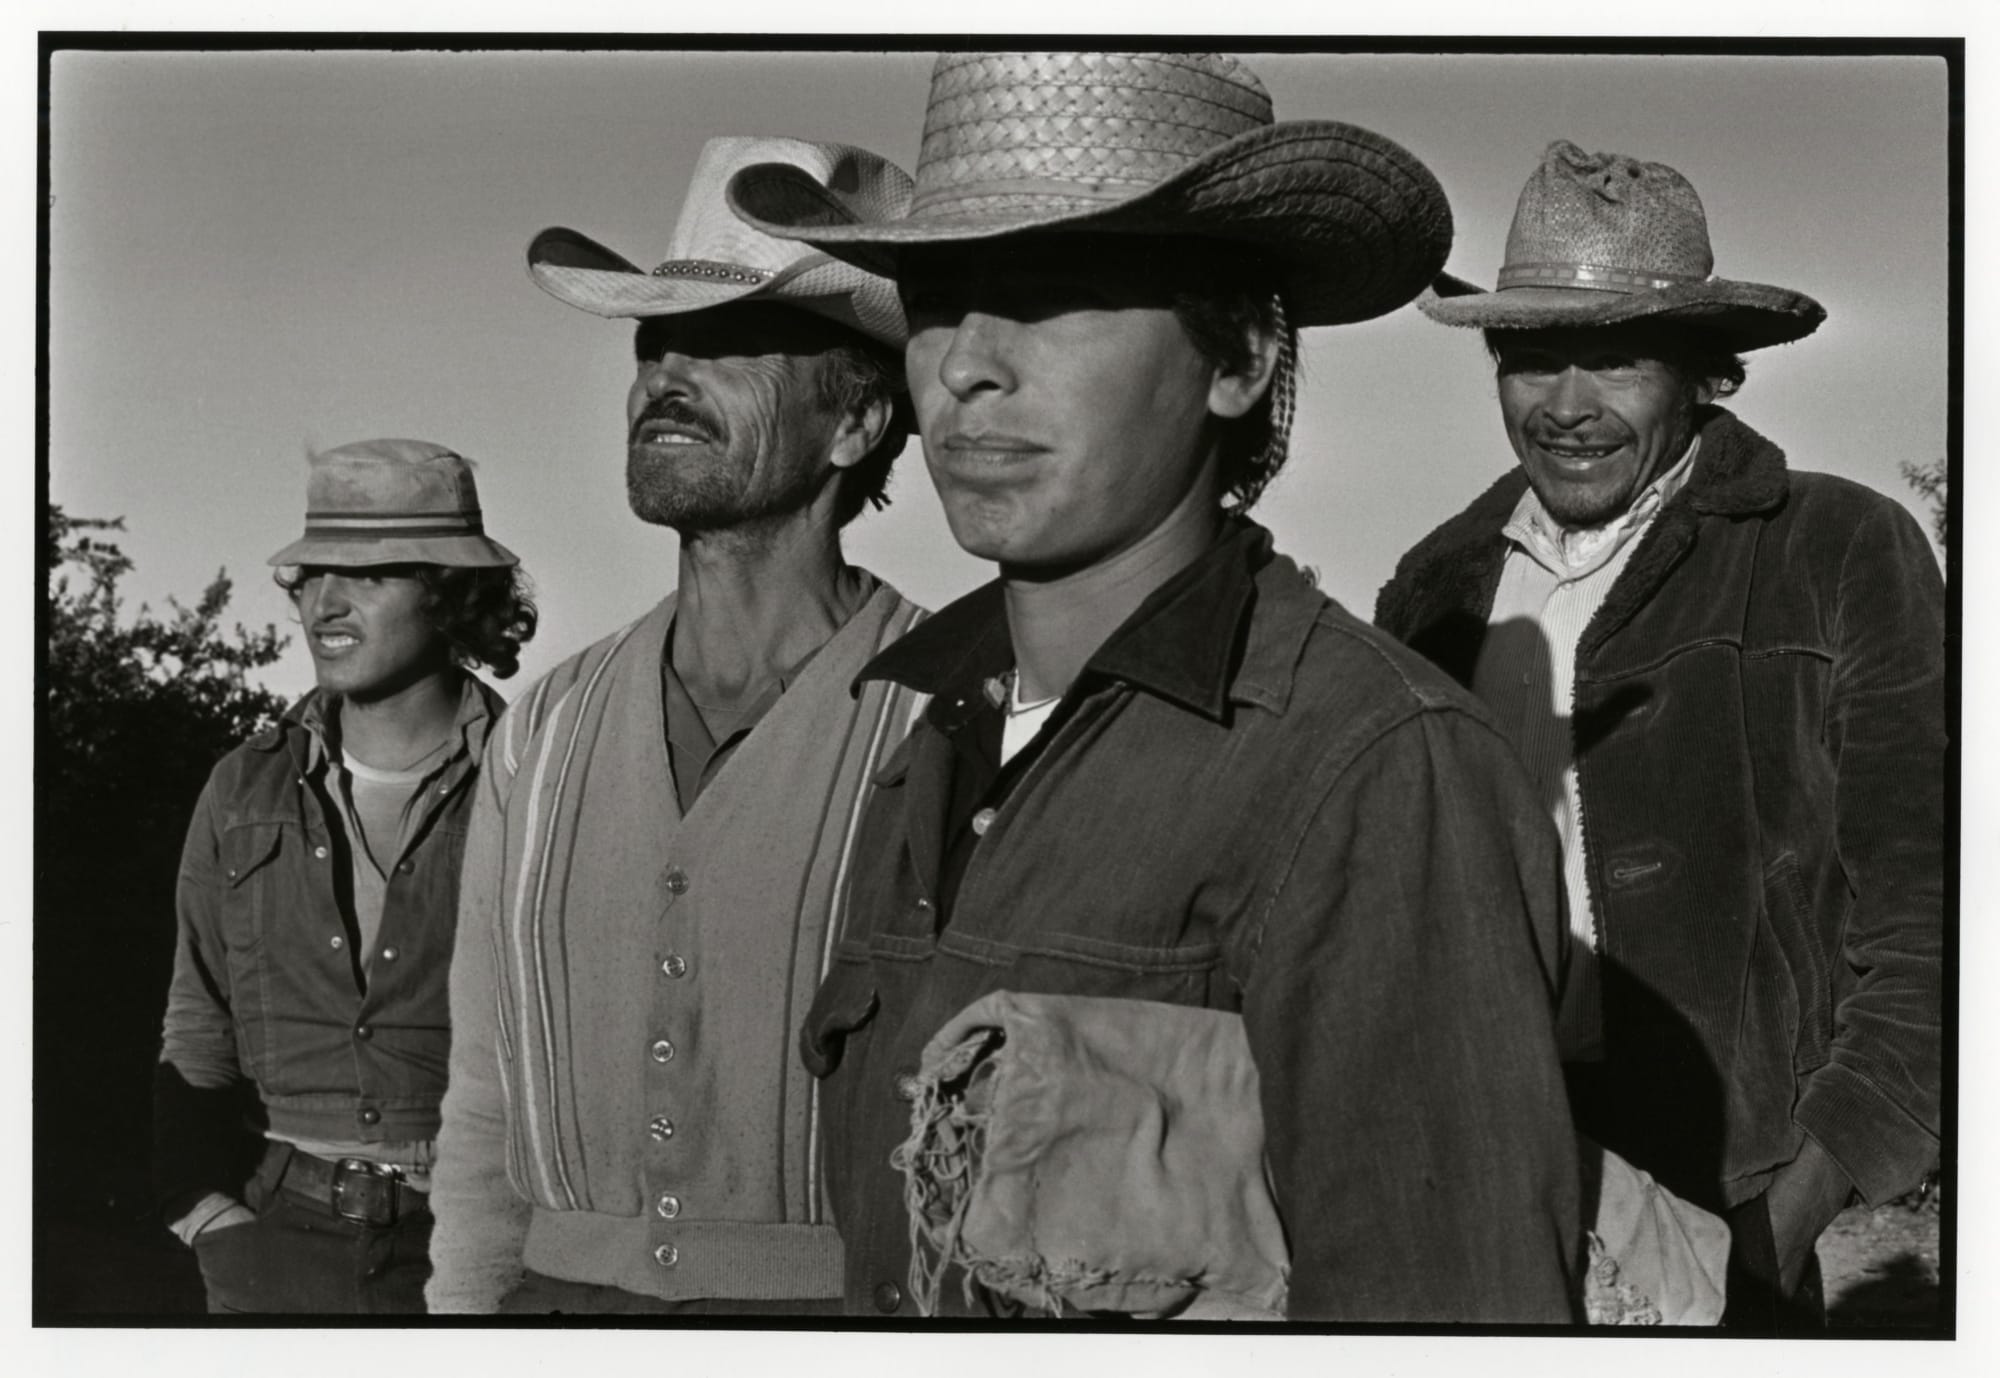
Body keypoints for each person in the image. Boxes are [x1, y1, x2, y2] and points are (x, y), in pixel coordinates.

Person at [730, 51, 1582, 1322]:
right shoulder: (929, 731)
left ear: (1235, 357)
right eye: (938, 302)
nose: (963, 367)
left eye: (1052, 298)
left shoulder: (1372, 766)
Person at [1374, 140, 1945, 1333]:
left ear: (1701, 371)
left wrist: (1787, 1215)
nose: (1565, 404)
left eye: (1616, 357)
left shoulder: (1836, 548)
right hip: (1480, 1173)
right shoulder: (1431, 591)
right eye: (1530, 356)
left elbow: (1930, 920)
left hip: (1730, 1194)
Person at [424, 136, 928, 1316]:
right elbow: (484, 1093)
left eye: (730, 341)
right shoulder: (543, 729)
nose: (666, 375)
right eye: (654, 343)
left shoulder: (951, 711)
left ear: (855, 421)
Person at [154, 438, 537, 1313]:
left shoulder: (535, 781)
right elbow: (198, 1019)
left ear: (450, 593)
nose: (326, 602)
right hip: (273, 1239)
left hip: (480, 1243)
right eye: (313, 573)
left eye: (368, 573)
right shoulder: (241, 788)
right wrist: (203, 1213)